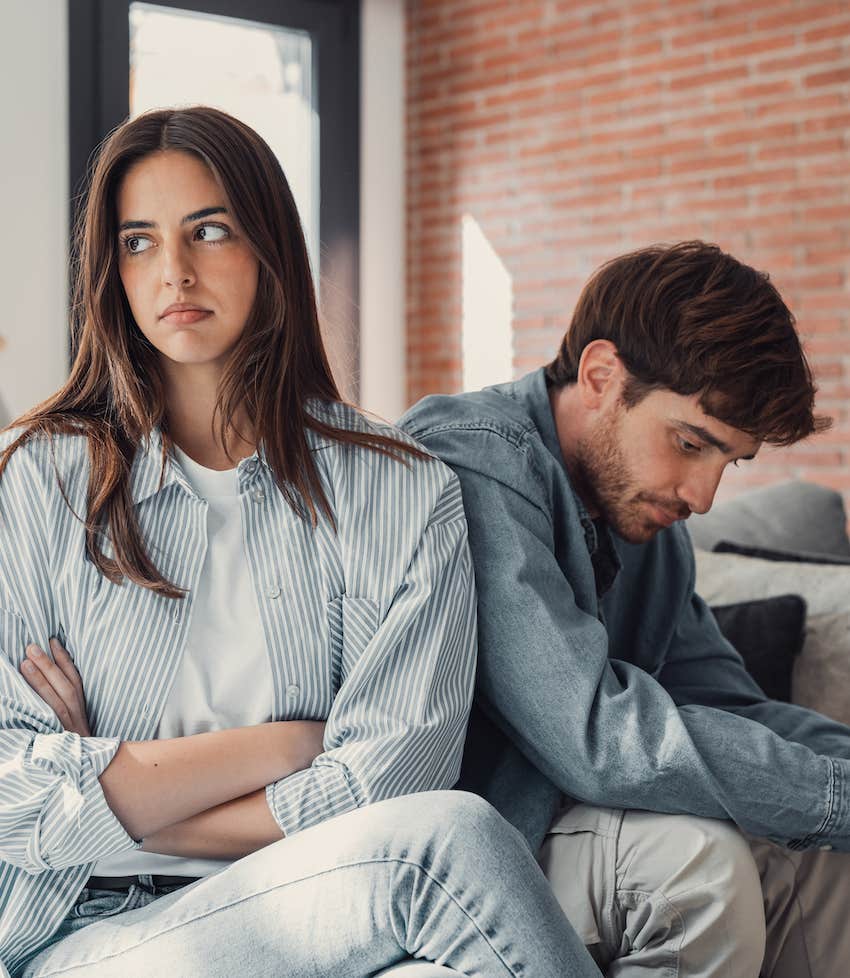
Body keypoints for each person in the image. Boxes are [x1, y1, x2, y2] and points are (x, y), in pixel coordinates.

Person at [0, 106, 601, 978]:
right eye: (138, 242)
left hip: (320, 894)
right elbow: (14, 795)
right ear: (111, 271)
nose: (173, 271)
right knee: (452, 841)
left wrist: (120, 793)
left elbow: (392, 780)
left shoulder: (401, 490)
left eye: (209, 230)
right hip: (92, 926)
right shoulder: (41, 481)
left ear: (268, 246)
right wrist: (289, 743)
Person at [400, 241, 850, 978]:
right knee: (700, 870)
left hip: (573, 831)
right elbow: (594, 735)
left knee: (832, 865)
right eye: (689, 443)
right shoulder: (475, 460)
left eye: (727, 462)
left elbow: (735, 705)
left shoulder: (651, 532)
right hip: (469, 852)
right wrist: (832, 795)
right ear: (602, 375)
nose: (703, 496)